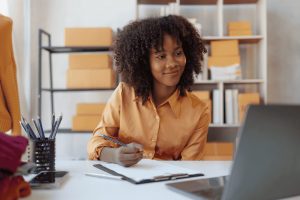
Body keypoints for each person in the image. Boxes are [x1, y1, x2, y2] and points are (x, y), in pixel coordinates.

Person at [87, 15, 210, 167]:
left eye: (178, 53)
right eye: (161, 56)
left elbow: (191, 167)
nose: (172, 63)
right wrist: (114, 155)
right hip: (125, 183)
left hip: (169, 185)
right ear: (145, 62)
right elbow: (97, 140)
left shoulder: (199, 111)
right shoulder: (123, 94)